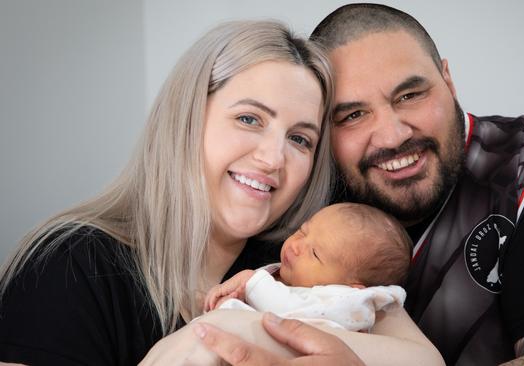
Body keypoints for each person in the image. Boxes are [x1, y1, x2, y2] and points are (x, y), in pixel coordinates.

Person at [196, 3, 524, 365]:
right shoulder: (302, 189)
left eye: (410, 95)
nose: (393, 135)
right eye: (353, 115)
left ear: (447, 79)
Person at [0, 19, 442, 366]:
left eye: (300, 139)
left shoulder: (298, 259)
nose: (273, 159)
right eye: (249, 119)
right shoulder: (68, 267)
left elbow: (424, 360)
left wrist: (225, 330)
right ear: (187, 118)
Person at [204, 202, 411, 332]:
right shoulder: (294, 277)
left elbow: (286, 310)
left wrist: (251, 281)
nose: (295, 246)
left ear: (351, 290)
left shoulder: (340, 307)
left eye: (315, 254)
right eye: (303, 231)